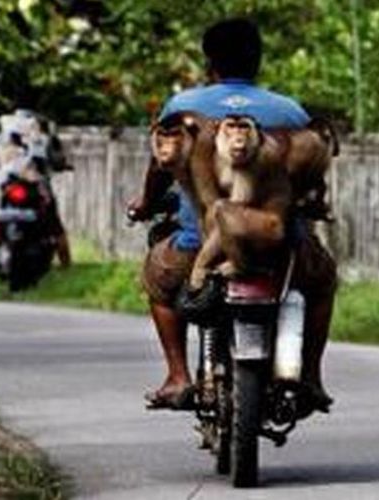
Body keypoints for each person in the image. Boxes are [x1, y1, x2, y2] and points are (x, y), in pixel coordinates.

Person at [130, 18, 336, 413]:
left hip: (199, 244)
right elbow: (314, 175)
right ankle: (310, 376)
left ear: (211, 64)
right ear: (258, 62)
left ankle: (177, 376)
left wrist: (145, 202)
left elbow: (161, 166)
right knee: (322, 282)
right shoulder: (289, 112)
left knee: (158, 279)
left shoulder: (184, 109)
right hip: (279, 248)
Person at [0, 110, 72, 293]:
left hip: (8, 188)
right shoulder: (40, 137)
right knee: (56, 228)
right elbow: (58, 161)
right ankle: (67, 270)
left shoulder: (4, 138)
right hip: (28, 189)